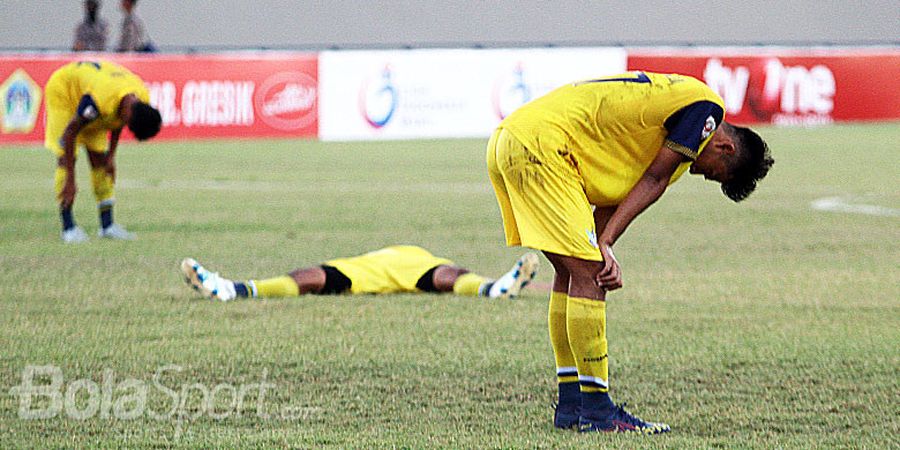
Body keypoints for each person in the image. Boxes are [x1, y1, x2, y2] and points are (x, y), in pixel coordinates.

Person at [487, 71, 773, 434]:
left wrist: (602, 244)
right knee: (590, 275)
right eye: (714, 175)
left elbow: (614, 200)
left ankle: (572, 404)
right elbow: (653, 180)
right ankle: (598, 412)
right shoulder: (706, 109)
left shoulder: (663, 131)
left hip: (512, 139)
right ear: (725, 148)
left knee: (573, 273)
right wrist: (603, 248)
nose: (701, 174)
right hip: (543, 147)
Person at [44, 60, 162, 243]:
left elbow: (119, 122)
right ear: (128, 113)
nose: (126, 126)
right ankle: (68, 228)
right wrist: (71, 181)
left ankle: (107, 226)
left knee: (101, 162)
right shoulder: (100, 100)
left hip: (97, 102)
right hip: (64, 93)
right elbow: (70, 133)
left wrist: (111, 156)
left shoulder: (140, 98)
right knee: (66, 160)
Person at [180, 245, 539, 302]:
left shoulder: (429, 261)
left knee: (448, 274)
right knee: (313, 275)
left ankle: (495, 288)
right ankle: (233, 289)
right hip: (372, 267)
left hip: (406, 267)